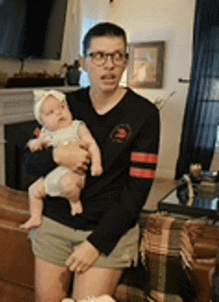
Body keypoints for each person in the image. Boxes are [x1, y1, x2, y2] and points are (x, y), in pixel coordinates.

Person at [23, 22, 160, 302]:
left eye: (117, 55)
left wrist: (96, 244)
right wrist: (57, 156)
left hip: (108, 230)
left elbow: (137, 192)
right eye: (98, 56)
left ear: (126, 62)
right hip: (56, 223)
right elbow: (28, 163)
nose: (108, 65)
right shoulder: (62, 105)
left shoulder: (144, 114)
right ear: (84, 62)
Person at [20, 89, 103, 230]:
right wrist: (35, 143)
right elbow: (31, 150)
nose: (59, 113)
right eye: (51, 112)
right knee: (33, 190)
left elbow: (92, 144)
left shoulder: (77, 126)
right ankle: (35, 217)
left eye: (62, 107)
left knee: (68, 185)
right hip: (51, 176)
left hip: (73, 174)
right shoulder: (46, 133)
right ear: (43, 121)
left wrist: (96, 164)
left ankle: (75, 202)